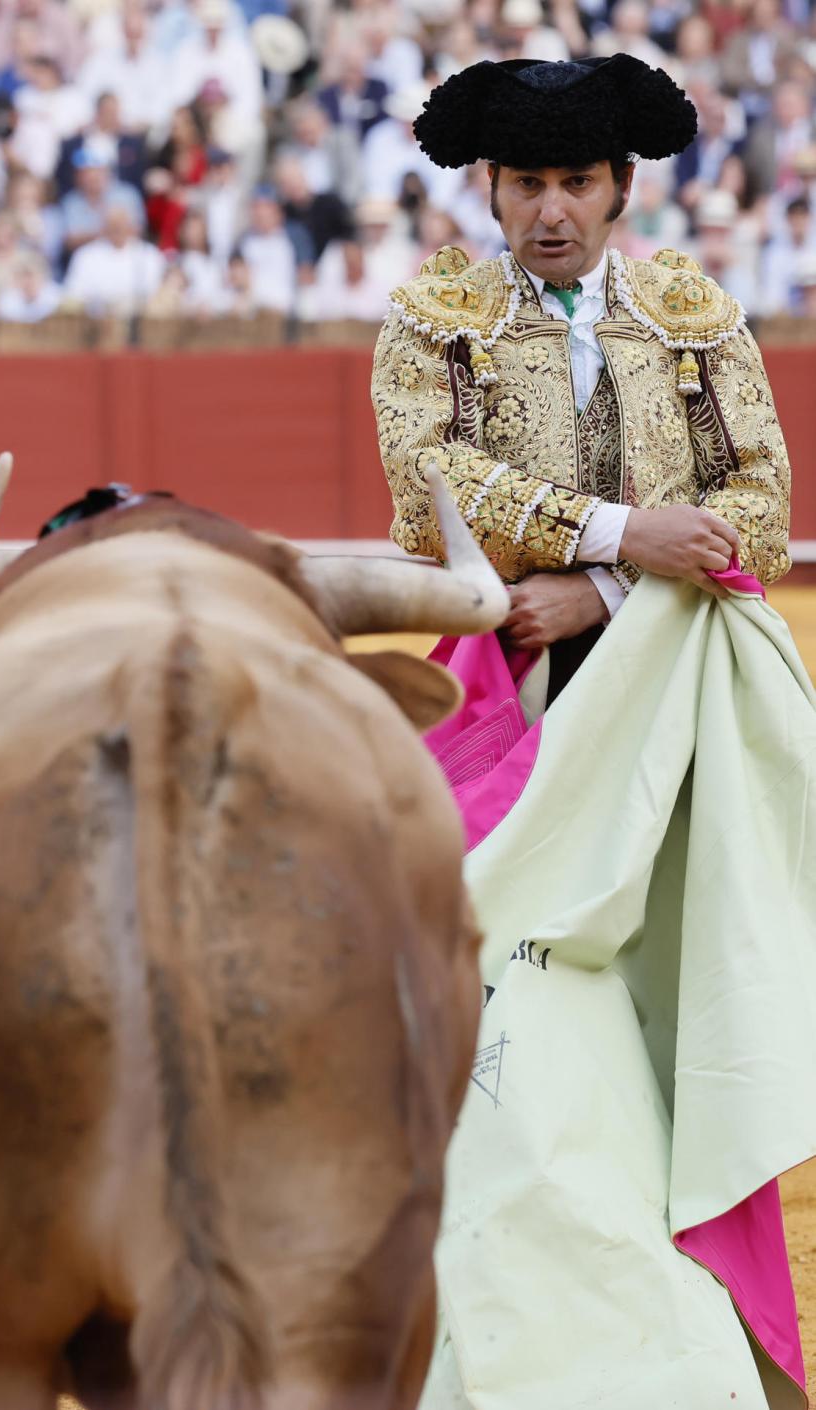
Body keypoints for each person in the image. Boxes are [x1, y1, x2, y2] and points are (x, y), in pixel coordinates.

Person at [372, 55, 807, 1410]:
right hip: (518, 682)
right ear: (489, 188)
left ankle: (666, 1301)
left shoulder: (690, 310)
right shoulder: (435, 312)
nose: (552, 208)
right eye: (528, 183)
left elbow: (767, 503)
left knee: (678, 975)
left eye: (577, 181)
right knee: (504, 966)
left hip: (671, 693)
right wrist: (617, 533)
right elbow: (423, 482)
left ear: (621, 186)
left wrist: (606, 585)